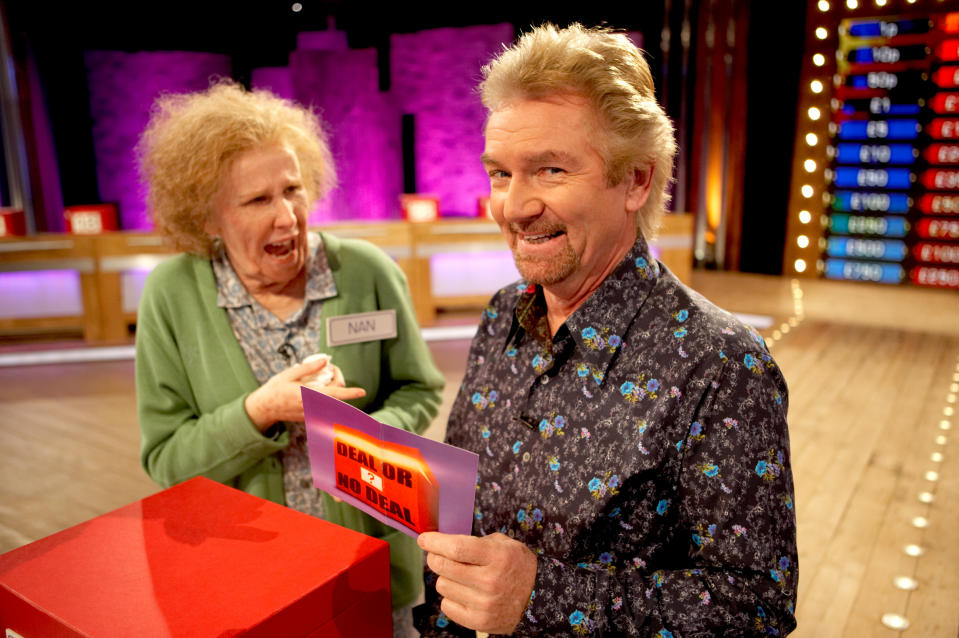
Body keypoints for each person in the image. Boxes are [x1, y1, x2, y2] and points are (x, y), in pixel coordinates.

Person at [414, 23, 797, 637]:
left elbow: (755, 607)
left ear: (636, 180)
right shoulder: (500, 316)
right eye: (501, 173)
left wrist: (541, 596)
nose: (513, 206)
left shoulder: (721, 365)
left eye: (549, 171)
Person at [134, 81, 445, 637]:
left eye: (293, 190)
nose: (287, 218)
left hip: (369, 572)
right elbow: (167, 462)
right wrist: (259, 411)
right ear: (207, 217)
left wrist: (362, 440)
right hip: (243, 585)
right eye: (257, 200)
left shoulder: (366, 272)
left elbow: (419, 391)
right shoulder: (171, 295)